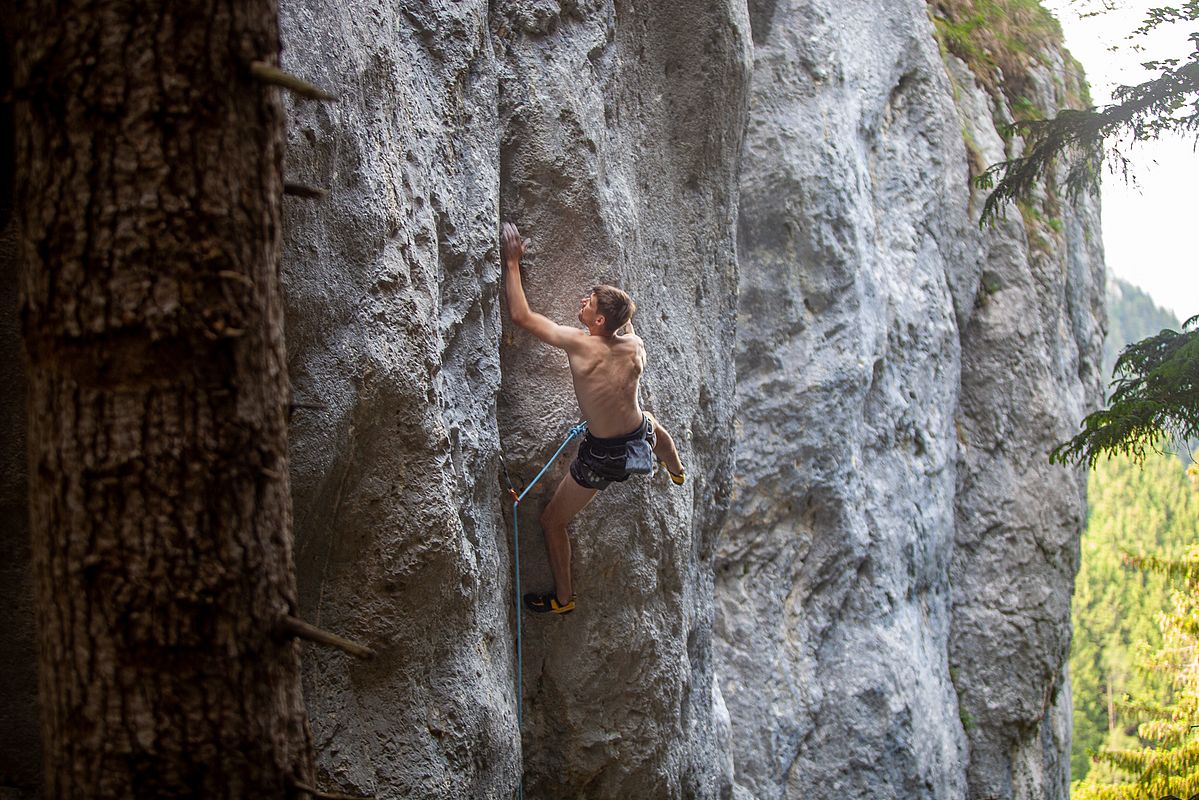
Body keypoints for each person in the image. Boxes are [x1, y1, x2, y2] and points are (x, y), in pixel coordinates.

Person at [501, 221, 686, 615]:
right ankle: (676, 471)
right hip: (639, 434)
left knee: (552, 522)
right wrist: (617, 306)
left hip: (602, 457)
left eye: (589, 303)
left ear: (599, 322)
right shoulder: (634, 345)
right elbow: (626, 321)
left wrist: (513, 262)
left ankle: (563, 601)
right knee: (657, 431)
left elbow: (521, 315)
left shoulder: (581, 346)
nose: (583, 302)